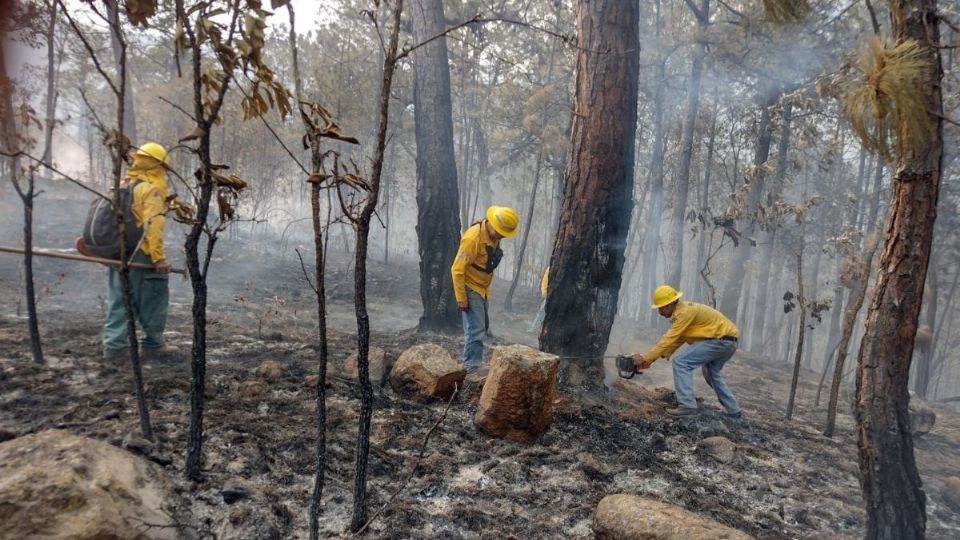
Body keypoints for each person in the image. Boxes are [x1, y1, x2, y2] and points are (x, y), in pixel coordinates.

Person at [101, 142, 175, 361]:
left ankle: (115, 349)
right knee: (154, 298)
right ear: (157, 165)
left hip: (118, 251)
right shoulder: (151, 189)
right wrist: (159, 258)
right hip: (141, 253)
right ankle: (153, 345)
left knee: (119, 299)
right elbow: (153, 225)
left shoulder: (124, 184)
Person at [631, 284, 742, 418]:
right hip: (730, 341)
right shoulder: (683, 312)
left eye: (661, 308)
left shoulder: (683, 313)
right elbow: (678, 339)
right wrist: (653, 359)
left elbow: (668, 339)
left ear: (671, 304)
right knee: (711, 371)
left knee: (681, 362)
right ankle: (733, 410)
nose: (659, 313)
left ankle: (687, 406)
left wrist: (646, 358)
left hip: (720, 340)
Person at [450, 205, 519, 373]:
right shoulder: (473, 239)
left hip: (483, 289)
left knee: (482, 326)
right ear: (494, 225)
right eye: (501, 232)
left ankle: (472, 364)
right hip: (470, 287)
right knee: (476, 331)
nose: (503, 236)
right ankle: (471, 369)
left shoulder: (494, 236)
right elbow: (457, 270)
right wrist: (461, 298)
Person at [527, 266, 549, 334]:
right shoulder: (551, 267)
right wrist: (544, 292)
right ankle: (534, 328)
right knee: (542, 312)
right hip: (550, 295)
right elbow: (545, 281)